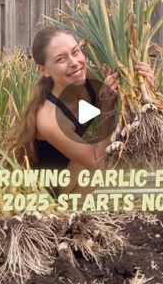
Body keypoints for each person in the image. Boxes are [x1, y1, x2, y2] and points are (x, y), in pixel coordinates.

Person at [13, 26, 154, 198]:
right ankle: (69, 214)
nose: (74, 62)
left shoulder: (88, 81)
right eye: (60, 59)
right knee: (97, 158)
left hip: (73, 172)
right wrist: (107, 108)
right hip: (48, 191)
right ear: (43, 70)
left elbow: (128, 106)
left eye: (75, 51)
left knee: (117, 144)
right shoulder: (48, 118)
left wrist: (142, 84)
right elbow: (97, 163)